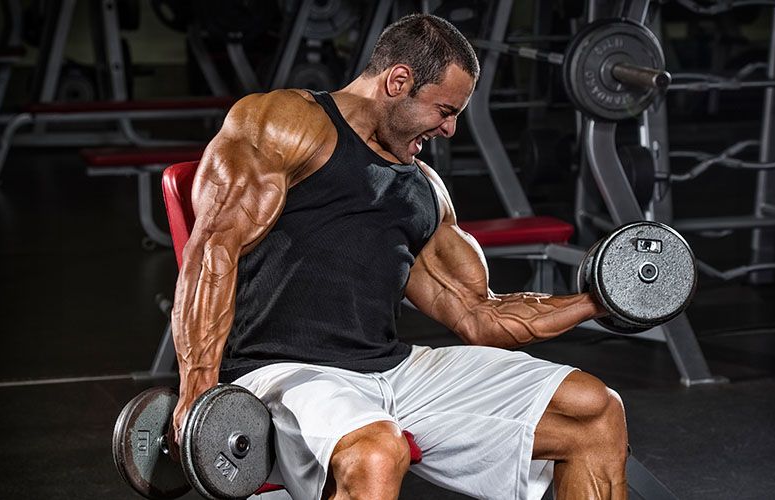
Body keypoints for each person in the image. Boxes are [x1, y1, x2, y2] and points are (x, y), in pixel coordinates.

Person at [170, 13, 628, 500]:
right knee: (376, 455)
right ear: (399, 81)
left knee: (593, 410)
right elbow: (213, 250)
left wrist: (599, 301)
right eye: (445, 110)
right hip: (284, 372)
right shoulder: (288, 123)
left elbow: (479, 316)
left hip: (389, 371)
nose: (450, 129)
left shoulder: (424, 188)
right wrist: (198, 390)